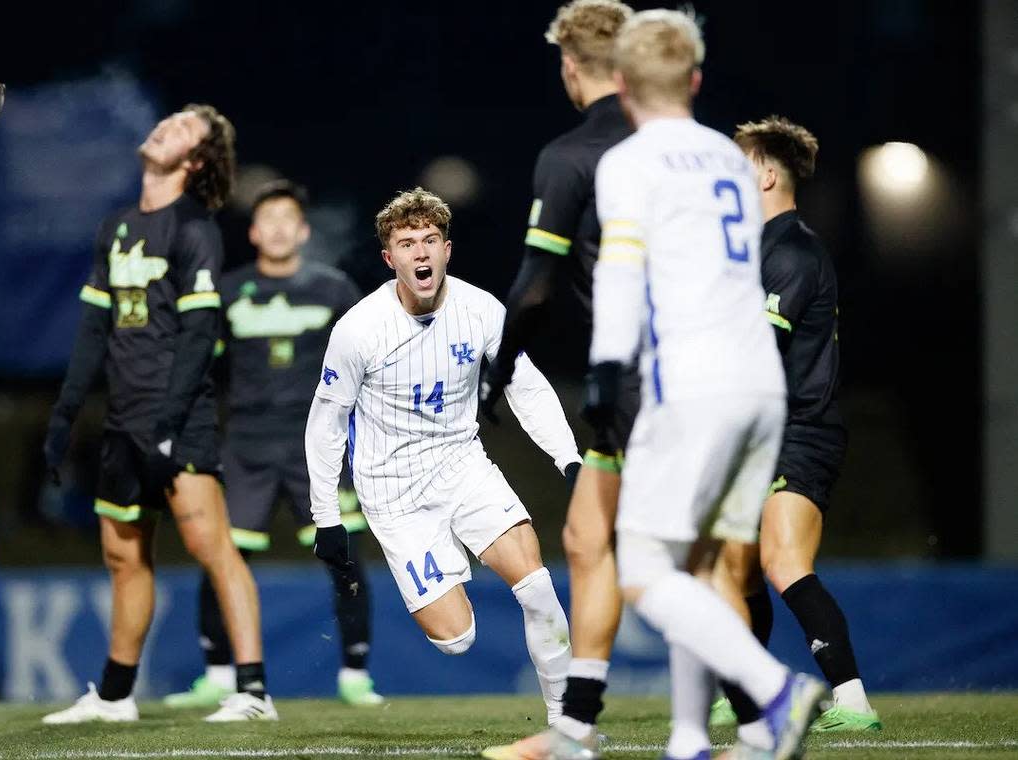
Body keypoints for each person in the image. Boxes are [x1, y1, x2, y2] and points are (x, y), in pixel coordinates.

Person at [486, 10, 825, 760]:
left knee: (644, 568)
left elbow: (620, 278)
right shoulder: (728, 158)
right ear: (696, 80)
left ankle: (775, 692)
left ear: (626, 85)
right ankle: (687, 740)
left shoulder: (628, 163)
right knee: (700, 567)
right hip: (760, 387)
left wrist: (604, 377)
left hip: (691, 384)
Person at [306, 188, 579, 724]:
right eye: (407, 244)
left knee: (537, 584)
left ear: (447, 249)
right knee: (457, 639)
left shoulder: (481, 311)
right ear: (390, 260)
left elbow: (526, 386)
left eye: (430, 240)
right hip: (392, 492)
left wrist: (567, 457)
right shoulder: (358, 329)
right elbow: (326, 424)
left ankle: (567, 727)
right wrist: (327, 517)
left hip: (462, 465)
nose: (421, 253)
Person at [41, 104, 276, 724]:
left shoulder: (195, 228)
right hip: (121, 422)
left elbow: (200, 338)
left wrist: (169, 423)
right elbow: (94, 329)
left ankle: (253, 692)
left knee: (210, 545)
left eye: (181, 129)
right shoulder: (116, 226)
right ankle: (116, 697)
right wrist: (65, 415)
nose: (164, 128)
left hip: (180, 420)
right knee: (124, 558)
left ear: (194, 161)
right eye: (167, 120)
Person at [477, 0, 639, 743]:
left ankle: (768, 696)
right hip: (722, 368)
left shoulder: (574, 154)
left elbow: (536, 285)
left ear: (572, 67)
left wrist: (498, 367)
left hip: (642, 375)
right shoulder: (695, 147)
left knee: (637, 553)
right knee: (591, 539)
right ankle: (577, 725)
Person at [164, 179, 383, 709]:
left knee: (344, 557)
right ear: (256, 231)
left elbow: (372, 365)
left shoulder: (334, 289)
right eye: (270, 219)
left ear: (304, 231)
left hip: (319, 448)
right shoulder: (229, 289)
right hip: (245, 447)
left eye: (291, 218)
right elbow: (198, 367)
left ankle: (355, 673)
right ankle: (218, 673)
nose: (281, 227)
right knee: (222, 555)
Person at [708, 116, 878, 734]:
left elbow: (757, 357)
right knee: (735, 568)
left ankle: (853, 702)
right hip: (767, 430)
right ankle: (746, 689)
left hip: (798, 430)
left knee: (782, 562)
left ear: (769, 173)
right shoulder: (756, 251)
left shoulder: (792, 251)